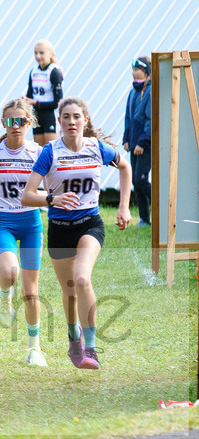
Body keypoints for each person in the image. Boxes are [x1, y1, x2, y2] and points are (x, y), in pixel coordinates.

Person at [22, 97, 131, 371]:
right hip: (59, 229)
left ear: (86, 120)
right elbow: (26, 196)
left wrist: (124, 207)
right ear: (59, 122)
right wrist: (52, 200)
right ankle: (74, 337)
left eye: (76, 116)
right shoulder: (49, 152)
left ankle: (91, 347)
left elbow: (125, 167)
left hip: (89, 224)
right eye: (66, 117)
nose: (71, 121)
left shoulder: (97, 148)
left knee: (82, 279)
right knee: (69, 291)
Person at [0, 98, 47, 367]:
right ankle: (5, 298)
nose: (16, 126)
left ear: (30, 123)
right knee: (8, 273)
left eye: (22, 121)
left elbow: (52, 186)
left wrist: (48, 198)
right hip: (3, 220)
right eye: (11, 121)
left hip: (30, 222)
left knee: (30, 289)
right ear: (3, 123)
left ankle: (34, 348)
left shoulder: (38, 152)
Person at [123, 56, 152, 227]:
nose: (133, 73)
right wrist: (126, 139)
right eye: (132, 70)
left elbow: (149, 119)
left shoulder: (149, 91)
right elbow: (128, 118)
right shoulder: (133, 92)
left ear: (146, 72)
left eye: (137, 70)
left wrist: (142, 142)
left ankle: (163, 208)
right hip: (134, 144)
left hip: (144, 145)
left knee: (141, 179)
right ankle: (144, 219)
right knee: (134, 180)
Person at [25, 39, 63, 146]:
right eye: (36, 53)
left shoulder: (54, 71)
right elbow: (30, 95)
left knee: (51, 149)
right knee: (39, 151)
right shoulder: (34, 72)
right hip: (36, 115)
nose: (38, 56)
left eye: (41, 53)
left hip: (50, 115)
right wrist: (24, 102)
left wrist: (35, 103)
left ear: (50, 53)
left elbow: (58, 102)